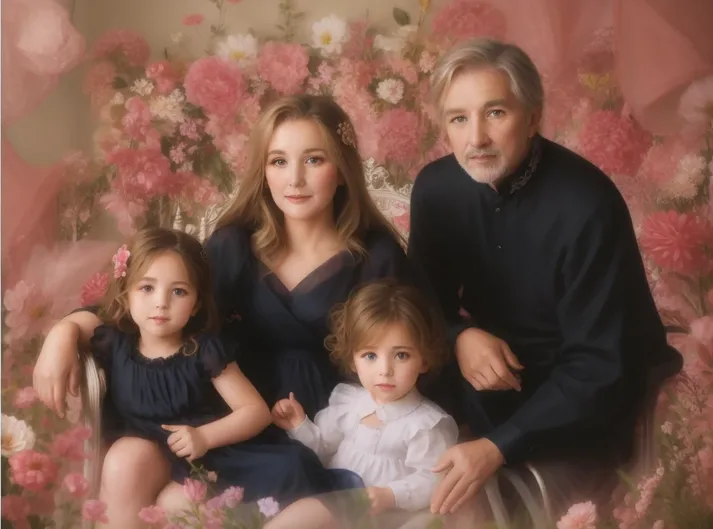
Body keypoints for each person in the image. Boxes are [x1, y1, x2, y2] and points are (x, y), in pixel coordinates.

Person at [32, 94, 409, 528]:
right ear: (263, 171)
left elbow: (411, 342)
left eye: (315, 160)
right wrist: (65, 331)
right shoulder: (234, 245)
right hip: (228, 419)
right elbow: (151, 308)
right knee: (167, 498)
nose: (296, 179)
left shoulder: (375, 255)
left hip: (323, 423)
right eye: (279, 162)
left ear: (341, 169)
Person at [406, 38, 683, 517]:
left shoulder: (587, 203)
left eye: (495, 113)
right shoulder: (435, 188)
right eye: (458, 119)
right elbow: (421, 300)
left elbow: (601, 366)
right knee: (397, 467)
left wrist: (497, 447)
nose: (476, 138)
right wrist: (458, 335)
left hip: (583, 399)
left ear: (532, 116)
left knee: (498, 508)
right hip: (488, 380)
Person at [79, 228, 332, 518]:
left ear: (196, 302)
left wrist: (204, 437)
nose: (161, 302)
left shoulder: (202, 350)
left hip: (209, 456)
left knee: (282, 474)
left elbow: (255, 411)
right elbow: (77, 329)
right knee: (124, 482)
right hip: (152, 458)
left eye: (179, 291)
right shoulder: (116, 342)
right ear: (126, 294)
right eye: (147, 288)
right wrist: (60, 336)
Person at [266, 279, 459, 529]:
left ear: (423, 360)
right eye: (370, 356)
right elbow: (324, 448)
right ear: (353, 360)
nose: (385, 370)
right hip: (335, 500)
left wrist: (391, 495)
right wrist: (299, 424)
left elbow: (433, 480)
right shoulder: (350, 402)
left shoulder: (424, 424)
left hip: (385, 517)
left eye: (401, 355)